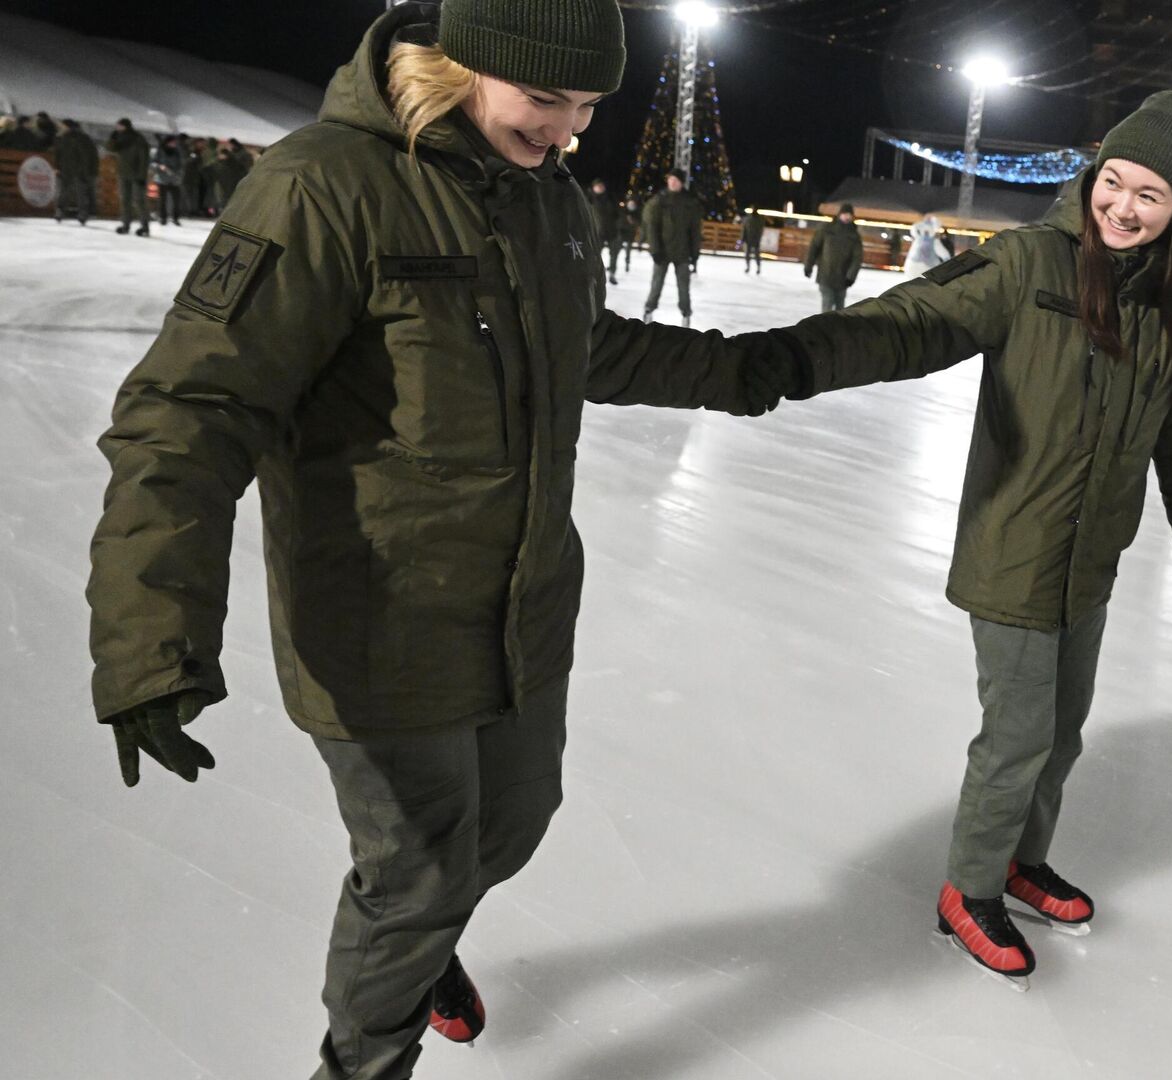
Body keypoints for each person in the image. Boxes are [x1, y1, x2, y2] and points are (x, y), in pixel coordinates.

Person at [84, 3, 788, 1077]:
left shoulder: (549, 200)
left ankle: (419, 944)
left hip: (521, 610)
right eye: (545, 98)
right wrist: (150, 637)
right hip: (381, 620)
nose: (567, 131)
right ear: (461, 64)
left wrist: (745, 370)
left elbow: (583, 346)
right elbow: (191, 409)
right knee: (417, 872)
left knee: (514, 821)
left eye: (587, 107)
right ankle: (366, 1055)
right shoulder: (326, 185)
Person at [757, 90, 1172, 990]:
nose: (1123, 207)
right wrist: (794, 357)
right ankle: (970, 888)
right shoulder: (1030, 263)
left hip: (1091, 562)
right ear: (1093, 177)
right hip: (1015, 549)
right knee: (1017, 736)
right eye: (1113, 182)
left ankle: (1022, 862)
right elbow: (915, 321)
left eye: (1149, 194)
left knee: (1061, 735)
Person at [641, 167, 702, 325]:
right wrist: (655, 250)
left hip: (682, 252)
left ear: (681, 183)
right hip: (662, 251)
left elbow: (695, 230)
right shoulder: (659, 200)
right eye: (671, 179)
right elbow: (652, 227)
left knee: (684, 286)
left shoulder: (690, 202)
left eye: (676, 180)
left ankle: (686, 313)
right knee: (657, 283)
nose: (673, 182)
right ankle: (649, 309)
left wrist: (695, 252)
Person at [803, 202, 863, 312]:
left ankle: (835, 323)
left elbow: (857, 258)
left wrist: (851, 277)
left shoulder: (854, 235)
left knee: (840, 309)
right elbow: (814, 248)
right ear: (839, 214)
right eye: (845, 214)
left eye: (849, 215)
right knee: (827, 305)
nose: (847, 217)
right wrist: (808, 266)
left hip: (842, 279)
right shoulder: (826, 229)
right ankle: (825, 323)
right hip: (825, 275)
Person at [107, 120, 153, 237]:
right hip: (123, 173)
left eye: (119, 126)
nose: (117, 128)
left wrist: (142, 176)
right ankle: (125, 225)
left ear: (125, 126)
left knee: (139, 200)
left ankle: (145, 227)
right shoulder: (120, 138)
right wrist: (112, 138)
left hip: (136, 174)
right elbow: (111, 148)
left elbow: (144, 158)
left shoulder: (138, 138)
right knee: (125, 200)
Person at [51, 118, 99, 226]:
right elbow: (57, 153)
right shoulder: (61, 138)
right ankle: (62, 212)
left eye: (62, 126)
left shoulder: (81, 138)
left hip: (78, 170)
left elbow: (89, 155)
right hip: (67, 169)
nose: (60, 128)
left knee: (80, 193)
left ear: (68, 127)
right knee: (66, 192)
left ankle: (81, 214)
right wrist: (57, 166)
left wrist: (89, 169)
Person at [587, 177, 620, 284]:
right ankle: (594, 274)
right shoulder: (589, 199)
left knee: (614, 254)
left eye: (602, 186)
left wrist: (617, 226)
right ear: (593, 187)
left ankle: (612, 273)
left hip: (612, 231)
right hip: (597, 232)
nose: (600, 188)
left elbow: (618, 214)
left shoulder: (611, 198)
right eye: (598, 186)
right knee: (595, 254)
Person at [152, 134, 186, 226]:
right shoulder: (160, 151)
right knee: (162, 200)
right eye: (172, 142)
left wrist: (178, 175)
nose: (174, 144)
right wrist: (160, 166)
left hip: (174, 180)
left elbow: (181, 165)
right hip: (162, 179)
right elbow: (153, 163)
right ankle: (163, 217)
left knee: (176, 200)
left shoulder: (177, 151)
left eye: (174, 142)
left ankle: (175, 218)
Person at [902, 212, 945, 277]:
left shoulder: (932, 240)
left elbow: (942, 252)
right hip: (918, 264)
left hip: (925, 265)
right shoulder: (919, 239)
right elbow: (915, 229)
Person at [738, 207, 765, 273]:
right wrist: (743, 238)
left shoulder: (756, 219)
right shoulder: (750, 219)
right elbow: (745, 229)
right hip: (750, 239)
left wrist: (743, 238)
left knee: (754, 254)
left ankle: (755, 267)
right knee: (751, 254)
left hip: (752, 239)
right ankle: (750, 267)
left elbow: (760, 230)